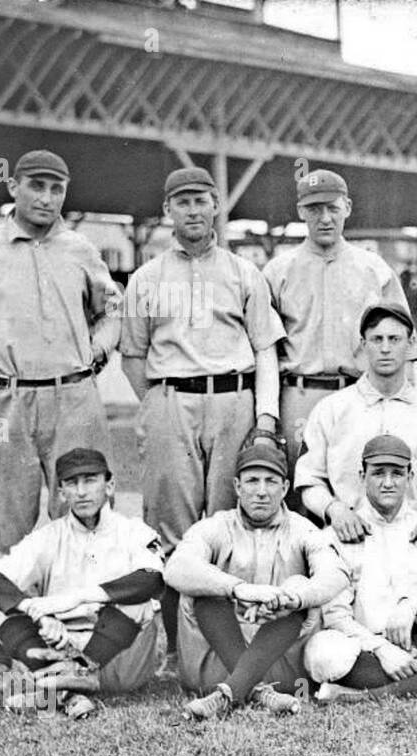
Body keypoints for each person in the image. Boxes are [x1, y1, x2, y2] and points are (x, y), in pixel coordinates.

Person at [0, 149, 120, 688]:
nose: (47, 198)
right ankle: (4, 656)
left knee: (89, 522)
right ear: (14, 188)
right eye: (36, 186)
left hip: (73, 395)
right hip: (4, 400)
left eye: (57, 188)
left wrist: (99, 348)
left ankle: (89, 655)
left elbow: (111, 307)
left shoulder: (79, 248)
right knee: (0, 532)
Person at [120, 166, 286, 667]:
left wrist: (266, 417)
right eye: (182, 202)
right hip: (172, 398)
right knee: (171, 526)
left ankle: (224, 645)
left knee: (224, 524)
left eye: (201, 200)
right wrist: (157, 403)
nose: (193, 210)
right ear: (168, 210)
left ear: (216, 206)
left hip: (232, 397)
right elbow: (132, 354)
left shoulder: (243, 273)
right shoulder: (146, 278)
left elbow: (265, 352)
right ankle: (175, 648)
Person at [263, 168, 417, 493]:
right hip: (301, 392)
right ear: (301, 211)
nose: (325, 218)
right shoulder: (278, 271)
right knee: (304, 490)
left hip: (360, 392)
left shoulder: (373, 268)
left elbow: (406, 348)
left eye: (332, 208)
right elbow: (264, 351)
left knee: (362, 489)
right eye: (315, 209)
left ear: (347, 207)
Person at [0, 449, 164, 719]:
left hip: (117, 655)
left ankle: (60, 689)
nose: (82, 491)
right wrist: (34, 612)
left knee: (139, 601)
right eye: (72, 483)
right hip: (59, 644)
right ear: (61, 493)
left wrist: (79, 598)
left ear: (109, 485)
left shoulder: (134, 531)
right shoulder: (48, 537)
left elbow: (152, 579)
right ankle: (72, 692)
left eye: (90, 480)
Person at [165, 444, 349, 720]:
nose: (261, 491)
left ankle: (228, 694)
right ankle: (258, 692)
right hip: (215, 663)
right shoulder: (217, 525)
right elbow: (175, 568)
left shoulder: (302, 529)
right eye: (252, 481)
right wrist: (239, 589)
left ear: (285, 487)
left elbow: (336, 574)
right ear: (238, 487)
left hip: (282, 664)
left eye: (271, 481)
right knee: (204, 590)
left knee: (300, 586)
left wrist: (293, 597)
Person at [301, 435, 417, 701]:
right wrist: (382, 649)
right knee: (322, 654)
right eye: (378, 473)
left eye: (397, 473)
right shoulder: (338, 534)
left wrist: (412, 604)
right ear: (362, 475)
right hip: (365, 649)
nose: (388, 483)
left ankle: (361, 695)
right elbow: (336, 615)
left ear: (410, 476)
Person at [294, 305, 417, 546]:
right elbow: (309, 480)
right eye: (376, 339)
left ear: (411, 343)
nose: (385, 348)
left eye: (394, 339)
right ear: (363, 345)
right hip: (348, 540)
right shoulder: (331, 409)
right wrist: (334, 510)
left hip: (415, 541)